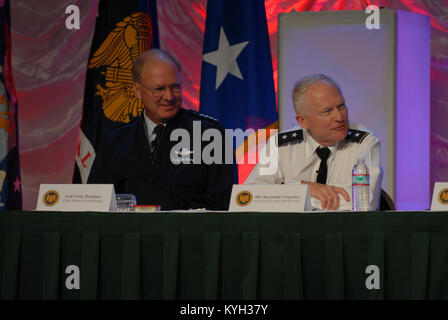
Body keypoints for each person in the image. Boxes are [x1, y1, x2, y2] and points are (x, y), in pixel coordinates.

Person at [88, 49, 236, 210]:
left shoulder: (211, 136)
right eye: (159, 89)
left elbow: (223, 206)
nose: (169, 96)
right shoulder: (115, 141)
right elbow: (95, 205)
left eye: (175, 87)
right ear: (137, 90)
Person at [245, 74, 382, 211]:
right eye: (327, 111)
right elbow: (249, 197)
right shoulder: (280, 146)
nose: (339, 117)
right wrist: (301, 187)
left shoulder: (365, 143)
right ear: (303, 121)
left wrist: (291, 197)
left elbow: (364, 203)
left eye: (341, 106)